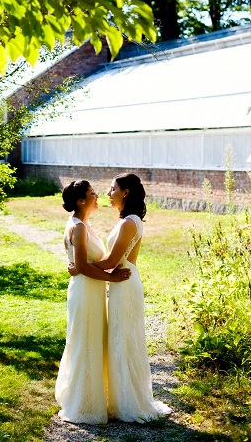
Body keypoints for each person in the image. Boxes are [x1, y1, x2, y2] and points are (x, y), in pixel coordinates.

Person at [91, 173, 171, 422]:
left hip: (125, 284)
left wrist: (82, 265)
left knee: (124, 339)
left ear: (125, 192)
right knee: (120, 338)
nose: (108, 193)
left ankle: (130, 401)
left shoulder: (129, 223)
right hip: (122, 282)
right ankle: (119, 397)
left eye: (112, 189)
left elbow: (112, 261)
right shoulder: (128, 220)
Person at [55, 179, 132, 424]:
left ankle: (93, 396)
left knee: (93, 341)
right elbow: (82, 266)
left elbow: (82, 264)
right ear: (81, 201)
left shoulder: (84, 224)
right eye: (92, 193)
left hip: (92, 290)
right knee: (86, 342)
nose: (97, 195)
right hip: (85, 291)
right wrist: (112, 277)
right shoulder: (78, 227)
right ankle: (84, 404)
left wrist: (86, 268)